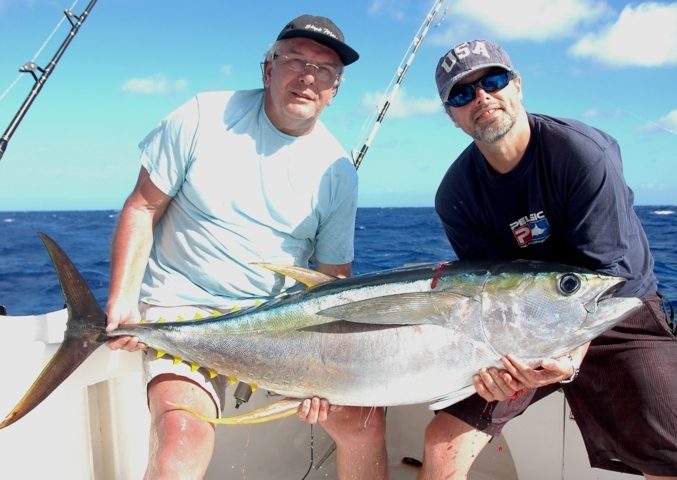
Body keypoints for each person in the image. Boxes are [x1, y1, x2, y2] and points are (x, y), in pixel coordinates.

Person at [104, 14, 387, 480]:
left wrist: (326, 370)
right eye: (295, 59)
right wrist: (123, 301)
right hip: (184, 313)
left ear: (335, 90)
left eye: (326, 70)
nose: (308, 76)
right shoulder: (202, 116)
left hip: (280, 328)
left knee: (365, 426)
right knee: (184, 435)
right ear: (267, 68)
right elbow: (141, 208)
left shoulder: (338, 172)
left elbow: (334, 282)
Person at [418, 39, 677, 479]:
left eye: (493, 81)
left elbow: (608, 275)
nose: (482, 97)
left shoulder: (580, 154)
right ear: (452, 116)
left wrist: (570, 358)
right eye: (462, 93)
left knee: (670, 449)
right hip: (517, 329)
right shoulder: (456, 194)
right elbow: (486, 292)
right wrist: (494, 364)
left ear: (517, 86)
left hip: (615, 311)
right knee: (441, 443)